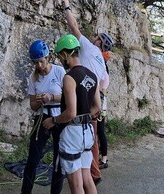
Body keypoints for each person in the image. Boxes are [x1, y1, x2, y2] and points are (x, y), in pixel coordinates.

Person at [43, 34, 101, 194]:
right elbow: (97, 108)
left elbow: (70, 112)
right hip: (88, 132)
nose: (60, 59)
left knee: (76, 184)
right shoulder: (91, 75)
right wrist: (87, 117)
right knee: (87, 179)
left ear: (67, 54)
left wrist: (52, 121)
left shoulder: (69, 77)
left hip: (73, 133)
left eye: (60, 55)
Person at [62, 0, 114, 184]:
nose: (93, 36)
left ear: (99, 42)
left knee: (72, 127)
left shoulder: (90, 49)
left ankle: (82, 172)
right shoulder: (102, 62)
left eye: (96, 36)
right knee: (92, 137)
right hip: (95, 98)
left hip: (82, 92)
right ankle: (93, 173)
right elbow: (101, 86)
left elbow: (73, 26)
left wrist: (66, 5)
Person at [19, 40, 66, 194]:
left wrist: (51, 96)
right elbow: (32, 105)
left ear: (48, 57)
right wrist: (38, 101)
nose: (39, 65)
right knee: (32, 160)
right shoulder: (34, 77)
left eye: (41, 61)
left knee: (58, 161)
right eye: (35, 62)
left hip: (58, 118)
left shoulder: (59, 71)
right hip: (41, 117)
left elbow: (68, 97)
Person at [98, 50, 112, 169]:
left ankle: (104, 159)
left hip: (100, 106)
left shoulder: (102, 73)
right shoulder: (105, 71)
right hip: (103, 106)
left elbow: (100, 90)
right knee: (100, 132)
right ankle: (103, 157)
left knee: (100, 132)